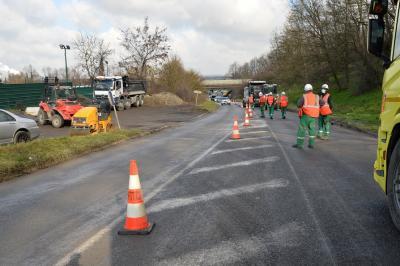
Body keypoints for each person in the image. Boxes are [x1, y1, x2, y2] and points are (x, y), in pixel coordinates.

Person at [293, 84, 324, 149]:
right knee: (312, 129)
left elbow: (298, 104)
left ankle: (299, 145)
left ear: (306, 90)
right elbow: (322, 103)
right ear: (311, 89)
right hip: (314, 116)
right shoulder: (317, 96)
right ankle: (311, 144)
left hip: (305, 115)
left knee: (302, 129)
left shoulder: (304, 96)